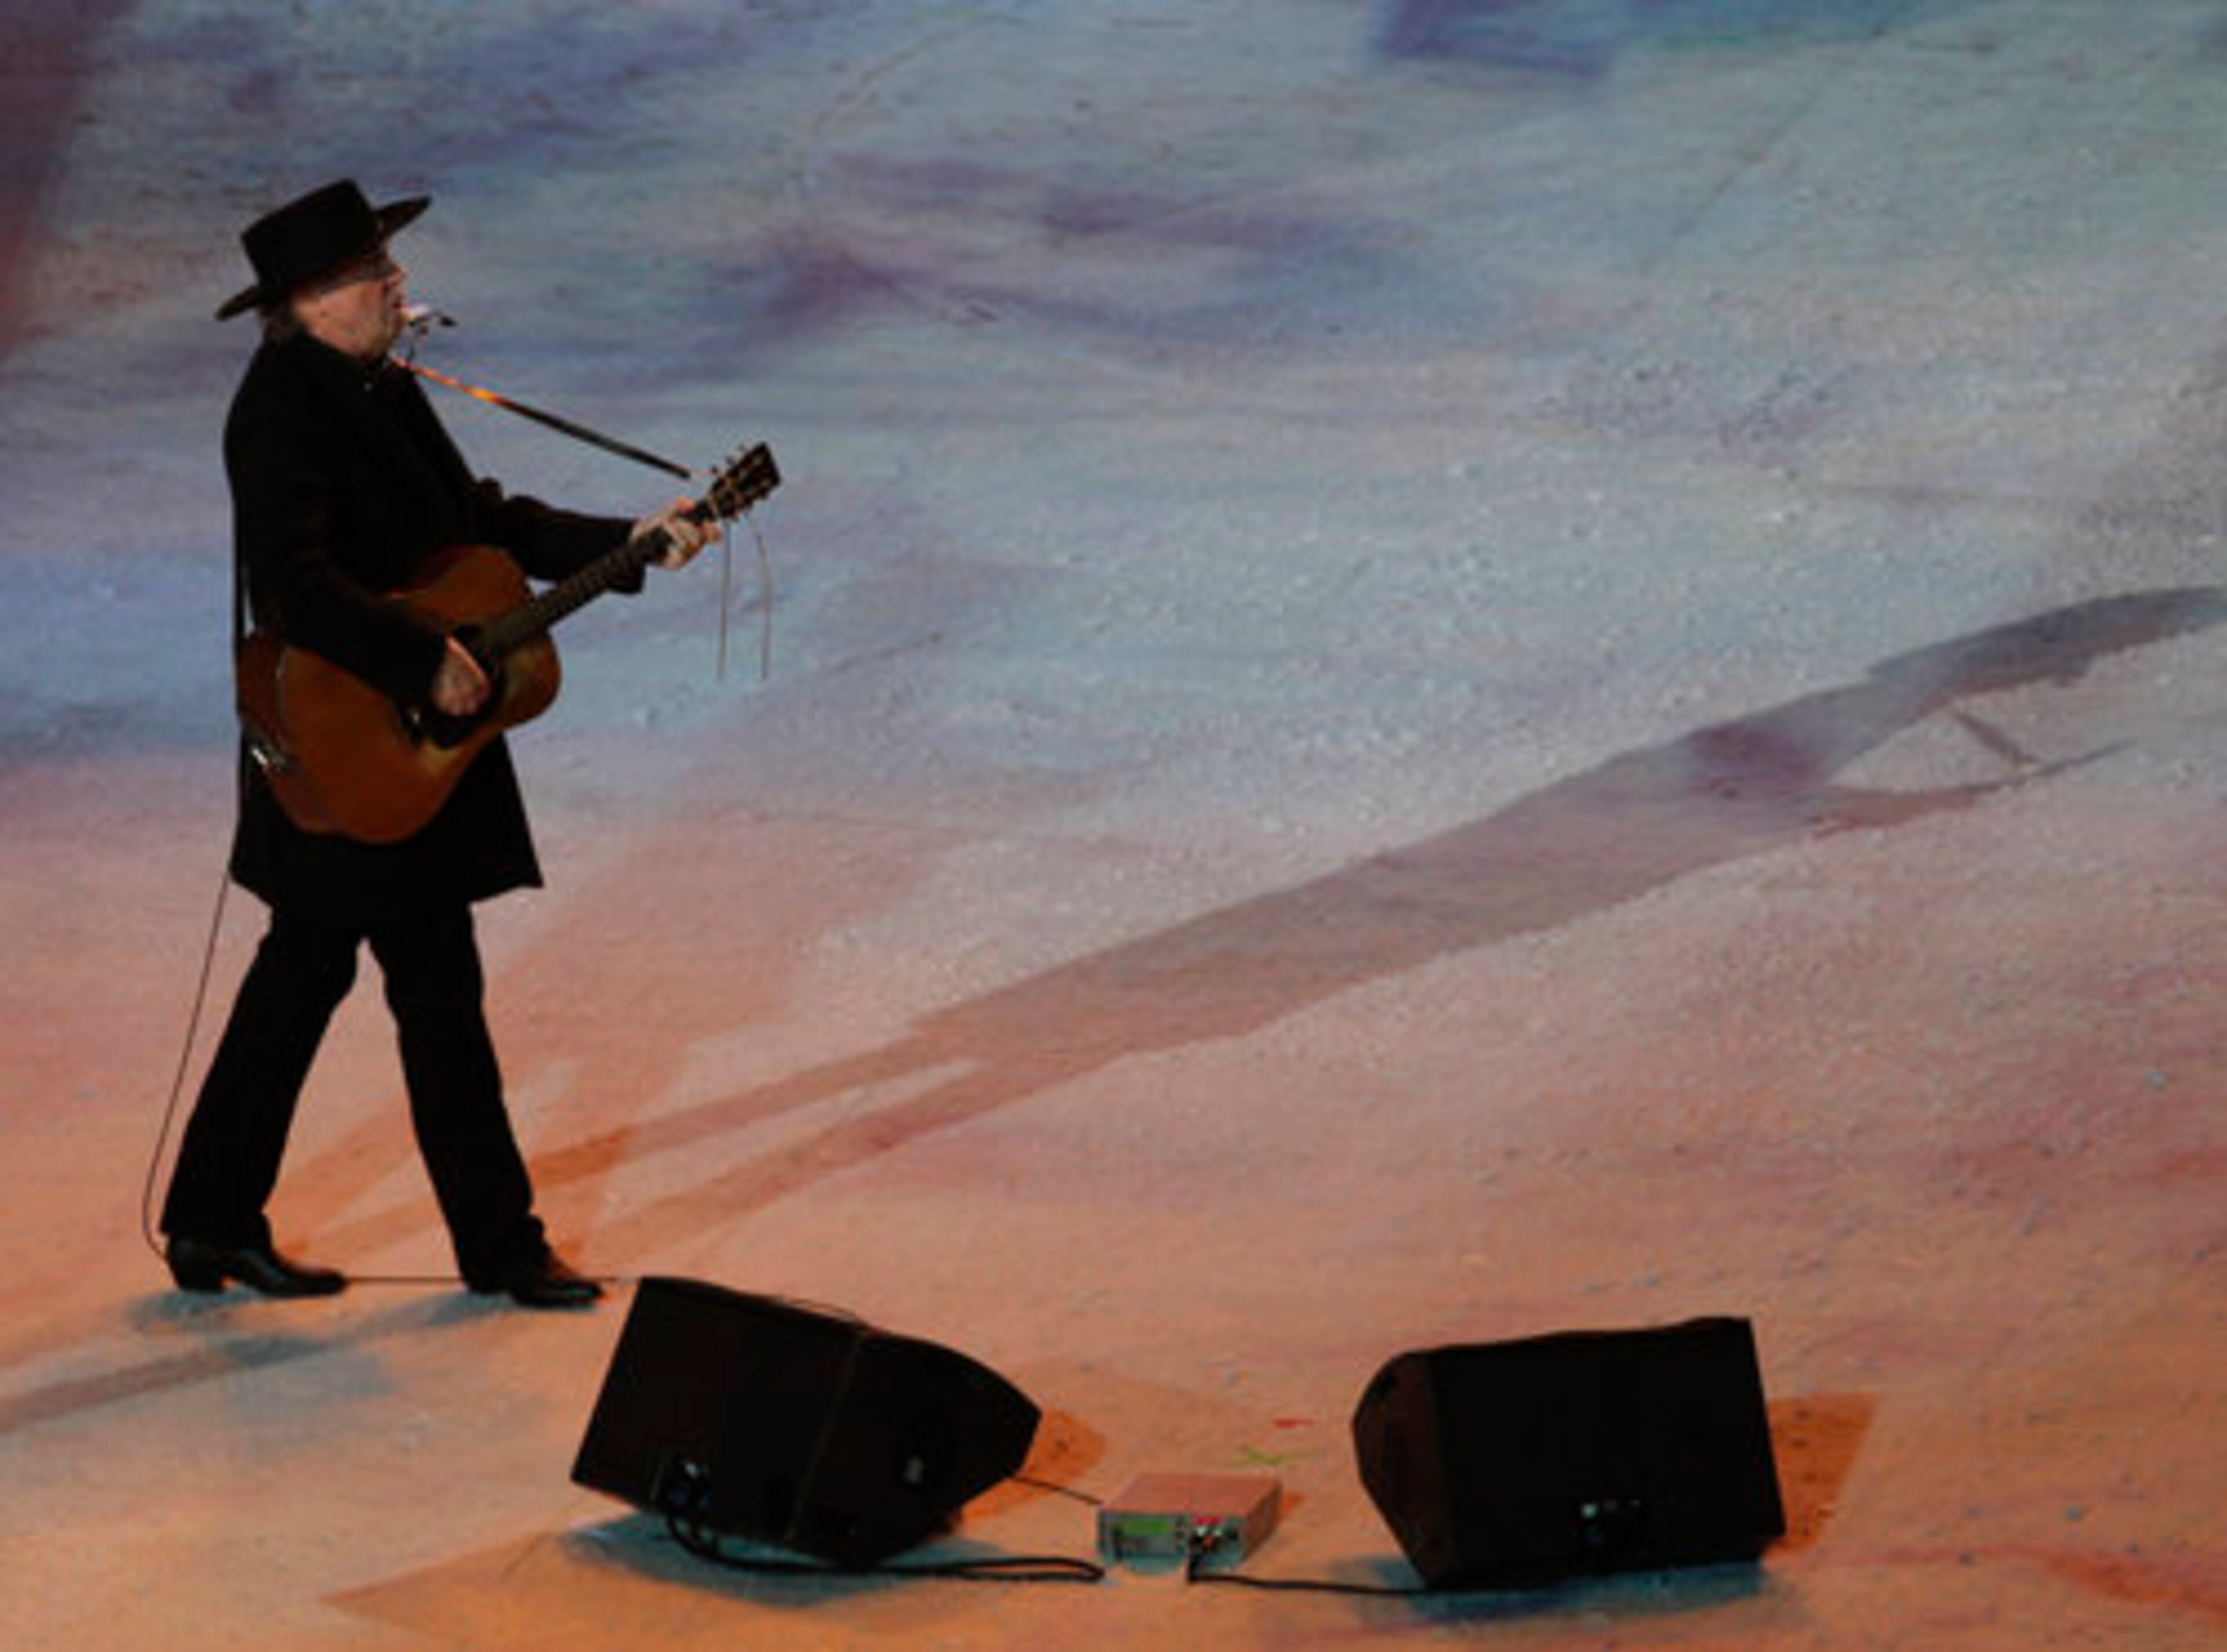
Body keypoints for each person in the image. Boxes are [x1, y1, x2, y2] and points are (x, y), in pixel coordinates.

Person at [161, 179, 714, 1308]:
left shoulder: (373, 384)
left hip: (398, 753)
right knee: (389, 988)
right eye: (377, 272)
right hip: (352, 746)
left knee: (357, 985)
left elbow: (480, 522)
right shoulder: (281, 407)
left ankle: (226, 1222)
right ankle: (482, 1246)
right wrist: (419, 658)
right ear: (315, 298)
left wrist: (630, 541)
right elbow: (296, 588)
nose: (396, 286)